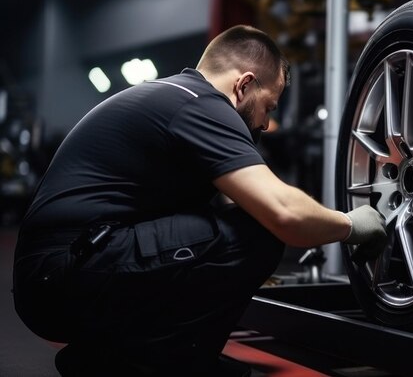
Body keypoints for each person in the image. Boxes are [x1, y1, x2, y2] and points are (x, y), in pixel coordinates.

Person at [12, 25, 386, 376]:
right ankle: (151, 364)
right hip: (61, 278)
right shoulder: (199, 104)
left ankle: (111, 356)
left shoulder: (175, 95)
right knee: (258, 231)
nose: (267, 124)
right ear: (244, 85)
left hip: (61, 272)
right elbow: (284, 213)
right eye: (268, 107)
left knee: (227, 222)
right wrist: (353, 225)